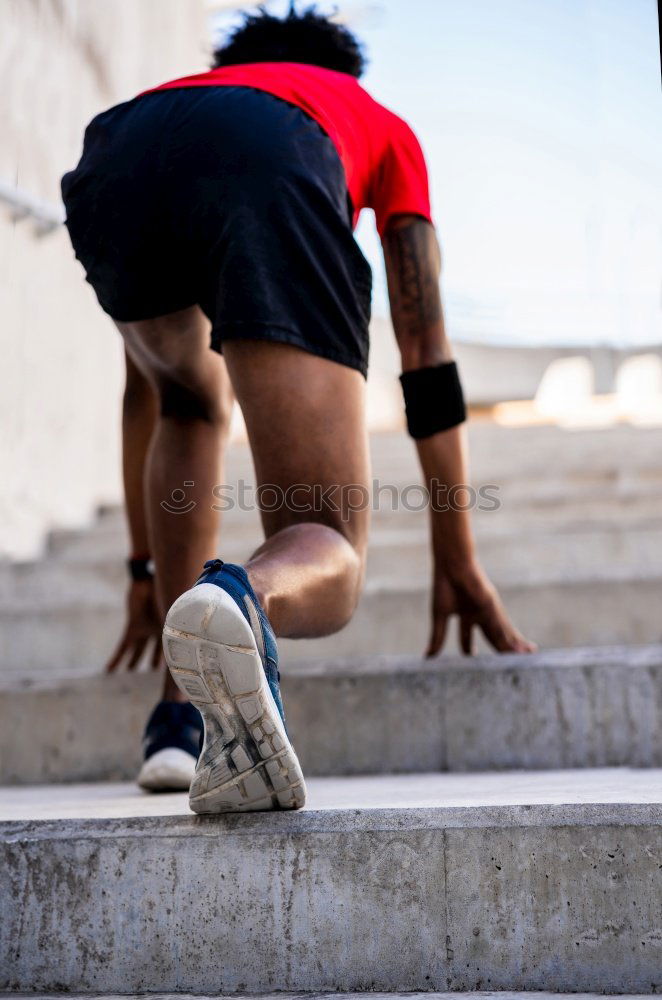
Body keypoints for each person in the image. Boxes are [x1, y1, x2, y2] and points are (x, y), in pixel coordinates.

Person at [61, 4, 535, 813]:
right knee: (324, 544)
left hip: (114, 156)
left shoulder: (181, 98)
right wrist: (455, 547)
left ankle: (180, 717)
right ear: (340, 75)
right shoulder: (370, 118)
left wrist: (145, 571)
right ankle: (242, 594)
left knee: (187, 400)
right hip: (273, 157)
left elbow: (141, 392)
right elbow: (425, 354)